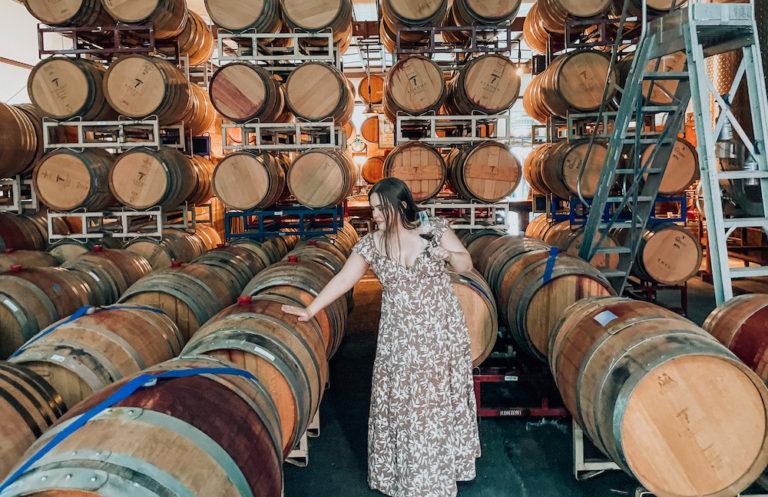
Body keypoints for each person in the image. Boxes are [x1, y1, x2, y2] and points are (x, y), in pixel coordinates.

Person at [282, 177, 481, 497]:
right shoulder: (371, 243)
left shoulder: (435, 230)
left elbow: (466, 264)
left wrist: (446, 254)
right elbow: (345, 278)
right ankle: (404, 473)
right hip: (398, 335)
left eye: (379, 208)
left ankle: (436, 472)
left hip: (438, 331)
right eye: (372, 208)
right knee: (402, 401)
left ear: (401, 206)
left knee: (432, 401)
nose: (373, 214)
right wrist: (311, 309)